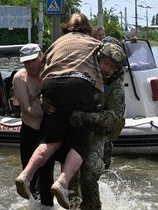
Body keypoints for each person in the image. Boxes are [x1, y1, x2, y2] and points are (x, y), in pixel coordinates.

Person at [15, 13, 105, 209]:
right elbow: (102, 66)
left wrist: (45, 98)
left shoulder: (57, 42)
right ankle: (62, 182)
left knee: (51, 139)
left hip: (51, 86)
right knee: (80, 142)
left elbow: (47, 66)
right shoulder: (93, 43)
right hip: (79, 84)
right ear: (87, 29)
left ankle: (26, 175)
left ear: (66, 29)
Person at [68, 39, 126, 210]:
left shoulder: (116, 86)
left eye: (111, 67)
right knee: (72, 176)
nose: (107, 69)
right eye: (105, 63)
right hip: (76, 131)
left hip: (99, 134)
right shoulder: (84, 72)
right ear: (98, 59)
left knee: (89, 175)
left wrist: (87, 117)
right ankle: (73, 205)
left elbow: (114, 116)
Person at [12, 43, 57, 207]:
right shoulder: (19, 78)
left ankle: (48, 205)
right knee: (30, 176)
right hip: (30, 132)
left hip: (47, 132)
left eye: (33, 61)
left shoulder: (50, 74)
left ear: (41, 57)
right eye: (26, 62)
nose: (30, 65)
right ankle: (34, 205)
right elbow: (28, 109)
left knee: (47, 175)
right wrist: (46, 107)